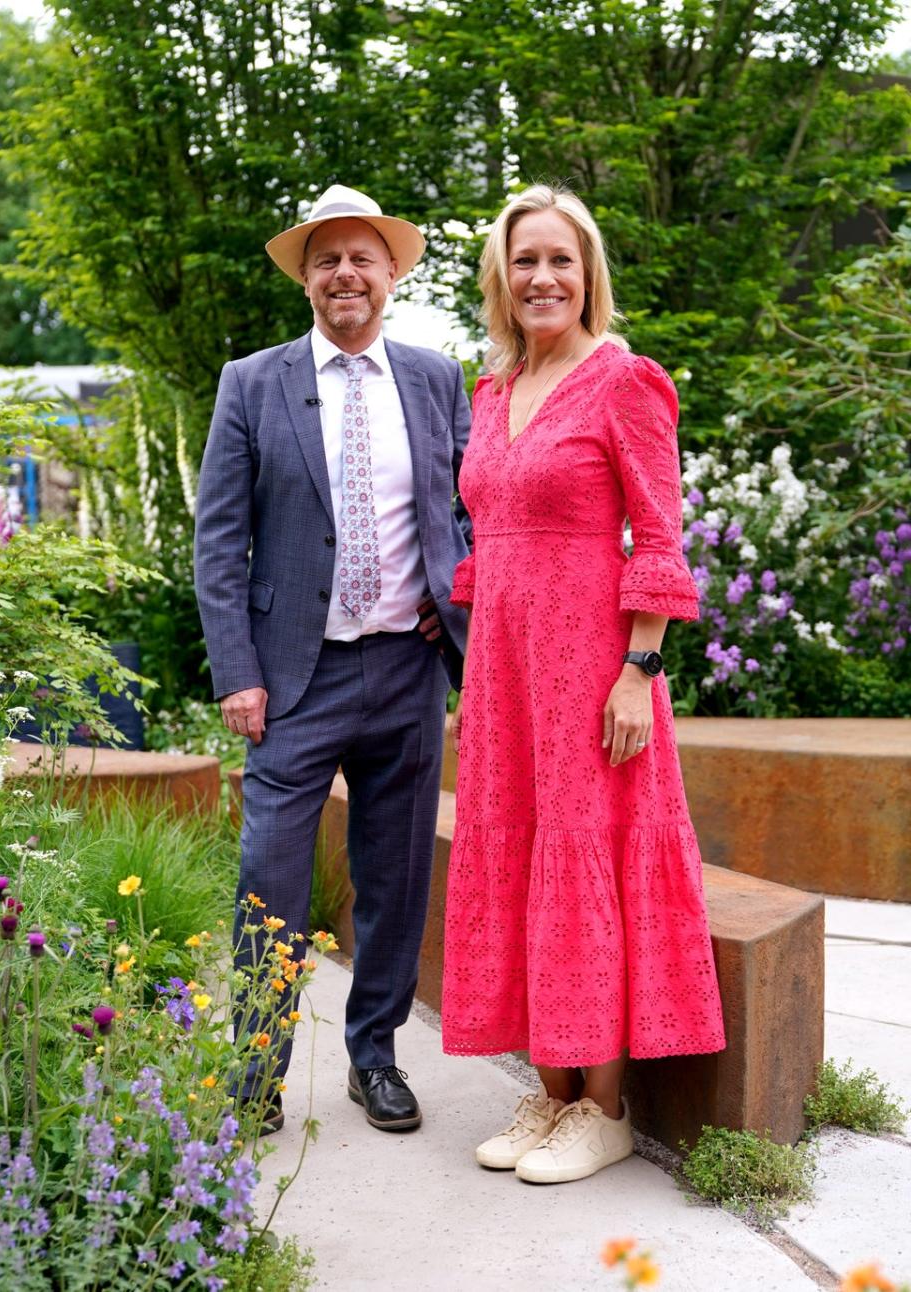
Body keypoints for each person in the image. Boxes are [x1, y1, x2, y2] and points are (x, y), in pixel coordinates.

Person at [442, 184, 725, 1185]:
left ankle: (603, 1105)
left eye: (561, 260)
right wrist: (474, 674)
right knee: (523, 855)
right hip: (508, 672)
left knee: (584, 850)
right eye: (526, 261)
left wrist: (638, 671)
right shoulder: (493, 387)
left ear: (588, 273)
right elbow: (490, 538)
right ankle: (552, 1094)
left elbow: (660, 533)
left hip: (593, 663)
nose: (542, 277)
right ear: (502, 277)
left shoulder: (625, 380)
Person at [194, 184, 472, 1134]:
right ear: (306, 279)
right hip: (290, 679)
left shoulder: (439, 378)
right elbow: (218, 536)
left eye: (362, 258)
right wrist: (237, 670)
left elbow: (470, 508)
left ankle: (376, 1058)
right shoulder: (251, 381)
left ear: (392, 273)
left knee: (395, 877)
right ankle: (255, 1071)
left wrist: (454, 598)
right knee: (269, 875)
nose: (345, 274)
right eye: (326, 260)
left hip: (405, 668)